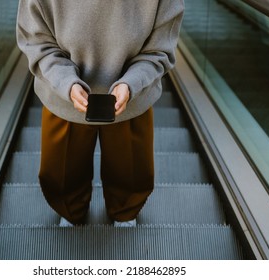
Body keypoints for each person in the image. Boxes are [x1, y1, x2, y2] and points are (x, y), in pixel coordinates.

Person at [16, 0, 184, 227]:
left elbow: (159, 48)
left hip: (132, 99)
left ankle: (124, 212)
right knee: (62, 176)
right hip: (63, 97)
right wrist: (66, 82)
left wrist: (131, 83)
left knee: (131, 176)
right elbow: (37, 39)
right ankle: (71, 212)